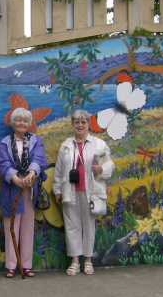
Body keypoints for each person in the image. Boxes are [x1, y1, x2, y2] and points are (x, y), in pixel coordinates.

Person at [53, 109, 114, 276]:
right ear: (72, 125)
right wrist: (57, 189)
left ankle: (88, 260)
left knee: (88, 227)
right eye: (76, 122)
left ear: (88, 124)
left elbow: (110, 165)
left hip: (91, 192)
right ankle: (74, 261)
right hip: (70, 191)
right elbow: (59, 170)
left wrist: (101, 169)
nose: (80, 125)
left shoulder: (99, 144)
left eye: (83, 122)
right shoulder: (66, 145)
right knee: (72, 226)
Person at [0, 107, 48, 278]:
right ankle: (11, 265)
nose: (22, 123)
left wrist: (32, 174)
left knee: (27, 226)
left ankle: (26, 265)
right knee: (11, 225)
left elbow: (39, 159)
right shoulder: (4, 143)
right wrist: (17, 180)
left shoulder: (36, 140)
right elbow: (3, 165)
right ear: (13, 123)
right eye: (19, 120)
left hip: (30, 187)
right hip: (12, 187)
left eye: (25, 121)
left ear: (29, 124)